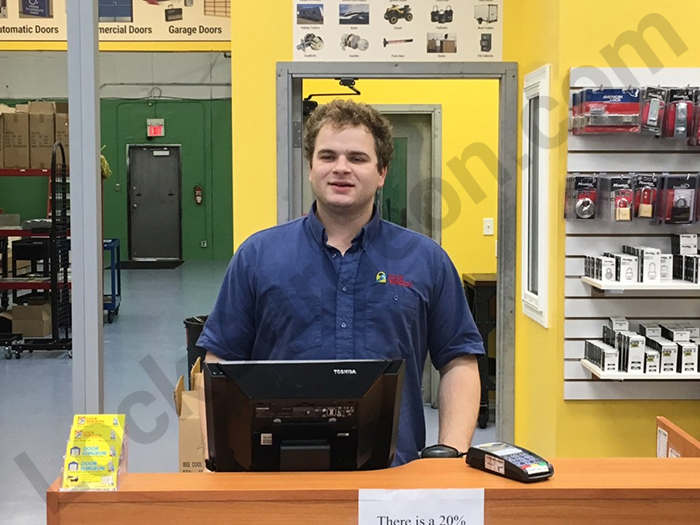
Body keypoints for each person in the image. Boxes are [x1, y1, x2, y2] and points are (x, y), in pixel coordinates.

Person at [198, 99, 484, 465]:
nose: (341, 169)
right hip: (275, 473)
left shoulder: (425, 260)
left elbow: (458, 360)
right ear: (311, 167)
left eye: (358, 158)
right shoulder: (258, 256)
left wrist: (452, 457)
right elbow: (219, 360)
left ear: (382, 171)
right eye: (328, 156)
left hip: (393, 477)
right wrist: (220, 460)